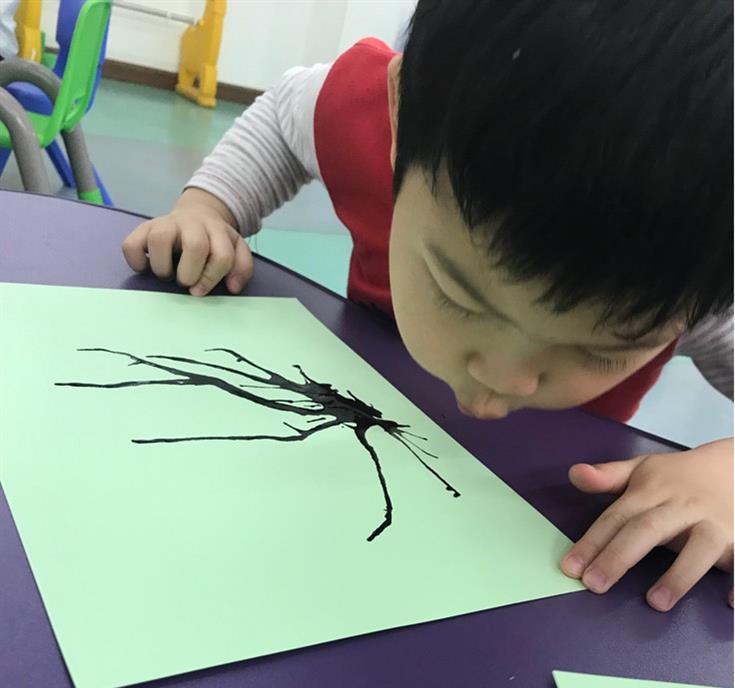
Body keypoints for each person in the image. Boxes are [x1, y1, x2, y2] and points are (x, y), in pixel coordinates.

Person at [122, 0, 733, 612]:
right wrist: (209, 208)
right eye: (458, 293)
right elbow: (286, 116)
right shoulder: (399, 128)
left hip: (531, 549)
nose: (498, 382)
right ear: (400, 114)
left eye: (597, 350)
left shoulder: (698, 267)